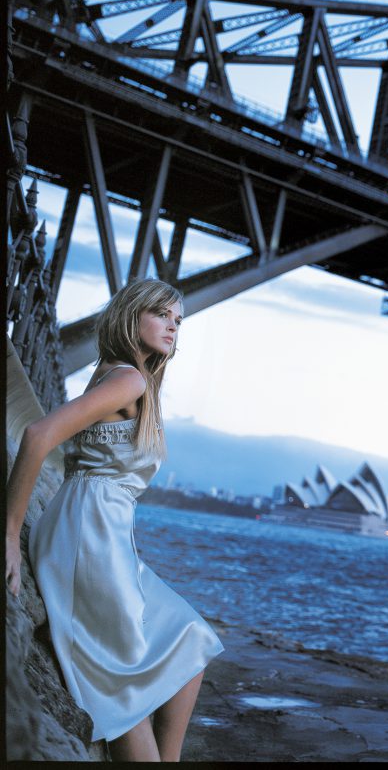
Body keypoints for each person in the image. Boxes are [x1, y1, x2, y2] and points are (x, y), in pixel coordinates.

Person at [5, 278, 224, 761]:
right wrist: (8, 532)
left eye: (178, 320)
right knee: (124, 689)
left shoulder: (120, 376)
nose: (173, 327)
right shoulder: (129, 380)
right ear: (132, 314)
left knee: (188, 639)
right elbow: (38, 435)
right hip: (87, 537)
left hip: (99, 532)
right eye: (162, 314)